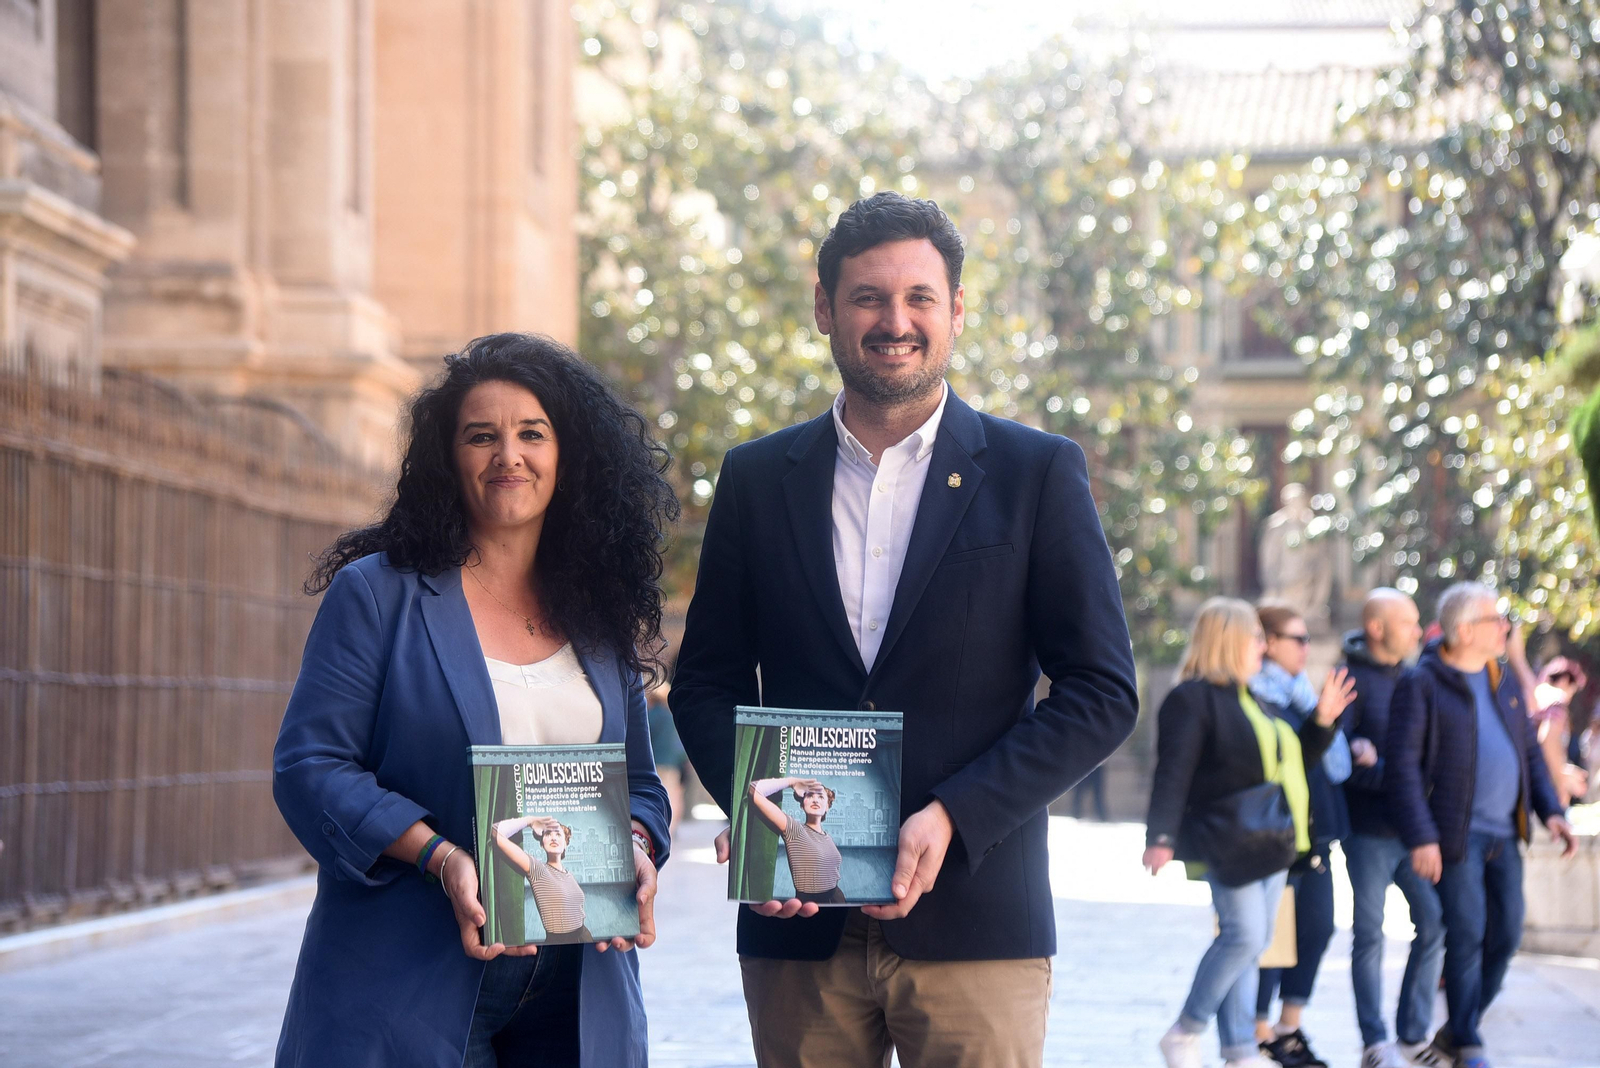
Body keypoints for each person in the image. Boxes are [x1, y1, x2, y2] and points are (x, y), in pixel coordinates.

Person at [671, 191, 1139, 1068]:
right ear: (825, 308)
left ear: (956, 311)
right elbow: (707, 680)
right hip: (798, 924)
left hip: (976, 914)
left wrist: (956, 816)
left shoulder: (1037, 473)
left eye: (920, 297)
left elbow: (1102, 692)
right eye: (868, 297)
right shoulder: (757, 478)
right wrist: (751, 800)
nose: (896, 321)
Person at [272, 333, 677, 1068]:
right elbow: (310, 765)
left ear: (569, 455)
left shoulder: (598, 613)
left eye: (532, 434)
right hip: (411, 974)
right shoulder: (376, 594)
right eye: (481, 436)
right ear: (447, 457)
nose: (508, 456)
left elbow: (641, 786)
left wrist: (640, 849)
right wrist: (443, 856)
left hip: (580, 983)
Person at [1145, 597, 1353, 1068]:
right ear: (1229, 639)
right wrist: (1160, 836)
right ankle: (1185, 1031)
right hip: (1228, 839)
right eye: (1255, 637)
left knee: (1252, 943)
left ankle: (1239, 1050)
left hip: (1274, 840)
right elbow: (1173, 770)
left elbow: (1292, 761)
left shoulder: (1252, 697)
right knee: (1243, 936)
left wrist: (1322, 722)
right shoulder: (1192, 698)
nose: (1263, 645)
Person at [1386, 582, 1579, 1068]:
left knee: (1507, 933)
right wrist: (1421, 836)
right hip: (1456, 835)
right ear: (1466, 630)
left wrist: (1551, 811)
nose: (1506, 629)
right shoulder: (1423, 683)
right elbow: (1402, 767)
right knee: (1467, 931)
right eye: (1496, 621)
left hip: (1504, 834)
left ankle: (1456, 1031)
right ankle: (1469, 1040)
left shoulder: (1502, 680)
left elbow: (1528, 751)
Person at [1338, 588, 1445, 1068]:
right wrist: (1394, 774)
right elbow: (1340, 763)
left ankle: (1412, 1033)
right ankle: (1374, 1042)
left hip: (1414, 832)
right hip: (1366, 834)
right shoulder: (1348, 681)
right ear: (1378, 628)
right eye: (1409, 623)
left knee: (1434, 925)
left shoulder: (1417, 678)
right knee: (1370, 935)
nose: (1418, 633)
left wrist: (1394, 770)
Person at [1250, 602, 1358, 1068]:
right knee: (1270, 942)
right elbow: (1287, 761)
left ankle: (1289, 1026)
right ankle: (1257, 1030)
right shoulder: (1256, 696)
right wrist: (1319, 721)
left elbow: (1329, 763)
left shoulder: (1299, 693)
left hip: (1317, 836)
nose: (1306, 648)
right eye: (1298, 638)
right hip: (1275, 838)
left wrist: (1325, 718)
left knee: (1317, 929)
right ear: (1268, 643)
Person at [746, 777, 846, 904]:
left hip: (837, 897)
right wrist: (792, 782)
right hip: (811, 903)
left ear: (827, 807)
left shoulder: (827, 836)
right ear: (802, 804)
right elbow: (753, 789)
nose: (815, 800)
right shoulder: (795, 829)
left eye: (821, 797)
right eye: (810, 796)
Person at [491, 816, 591, 940]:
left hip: (584, 935)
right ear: (542, 844)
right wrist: (530, 821)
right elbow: (495, 831)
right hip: (560, 941)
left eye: (558, 834)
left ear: (565, 844)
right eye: (548, 834)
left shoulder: (569, 875)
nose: (553, 837)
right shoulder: (537, 869)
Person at [1530, 656, 1589, 807]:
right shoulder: (1557, 699)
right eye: (1572, 690)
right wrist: (1561, 776)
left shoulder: (1534, 695)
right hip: (1541, 792)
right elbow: (1547, 738)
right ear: (1564, 680)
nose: (1569, 698)